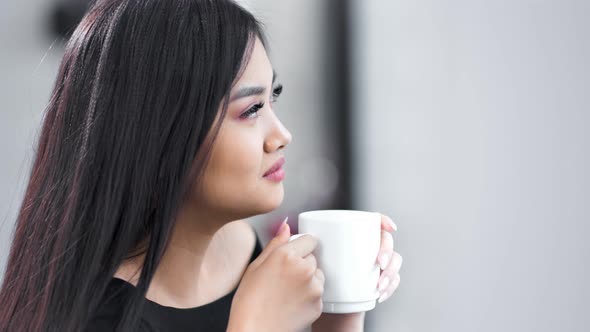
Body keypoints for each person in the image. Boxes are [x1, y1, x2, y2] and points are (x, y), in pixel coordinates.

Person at [0, 0, 402, 331]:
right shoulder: (93, 320)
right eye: (251, 109)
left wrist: (342, 306)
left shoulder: (240, 248)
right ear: (161, 135)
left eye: (272, 99)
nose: (281, 135)